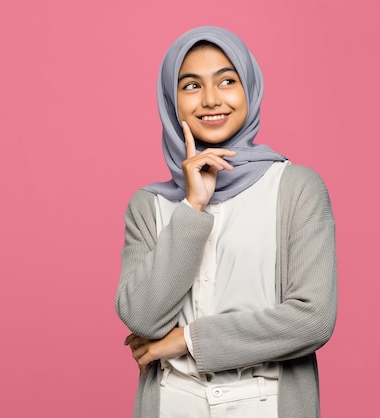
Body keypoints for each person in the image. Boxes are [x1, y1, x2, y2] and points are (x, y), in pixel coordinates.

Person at [115, 25, 337, 418]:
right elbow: (141, 317)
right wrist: (192, 207)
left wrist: (189, 340)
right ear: (171, 99)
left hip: (267, 404)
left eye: (227, 81)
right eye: (191, 86)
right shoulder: (149, 205)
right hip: (172, 403)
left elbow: (312, 319)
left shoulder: (296, 188)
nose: (211, 100)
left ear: (248, 88)